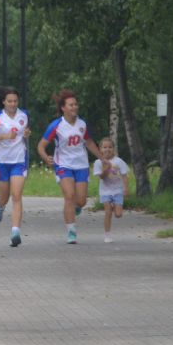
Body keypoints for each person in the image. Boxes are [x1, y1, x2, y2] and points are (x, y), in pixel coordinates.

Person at [36, 88, 103, 245]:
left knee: (81, 201)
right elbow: (41, 145)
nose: (74, 107)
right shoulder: (56, 126)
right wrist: (46, 157)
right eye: (71, 105)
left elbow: (89, 142)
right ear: (63, 108)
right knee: (69, 196)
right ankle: (71, 231)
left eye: (76, 104)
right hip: (63, 165)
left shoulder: (82, 124)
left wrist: (102, 158)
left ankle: (76, 207)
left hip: (81, 165)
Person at [0, 86, 30, 247]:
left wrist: (27, 134)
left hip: (19, 161)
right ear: (4, 102)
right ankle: (0, 207)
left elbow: (25, 132)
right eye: (9, 101)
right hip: (2, 162)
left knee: (16, 195)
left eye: (15, 101)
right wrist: (4, 136)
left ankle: (15, 232)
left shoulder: (24, 115)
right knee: (5, 197)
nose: (13, 104)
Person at [93, 137, 131, 243]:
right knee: (108, 212)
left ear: (114, 149)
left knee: (118, 214)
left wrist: (126, 189)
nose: (107, 149)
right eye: (104, 147)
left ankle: (116, 205)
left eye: (110, 147)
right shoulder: (98, 162)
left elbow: (124, 176)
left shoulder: (119, 161)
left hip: (118, 190)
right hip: (105, 191)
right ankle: (107, 234)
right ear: (100, 149)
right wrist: (106, 168)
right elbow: (101, 177)